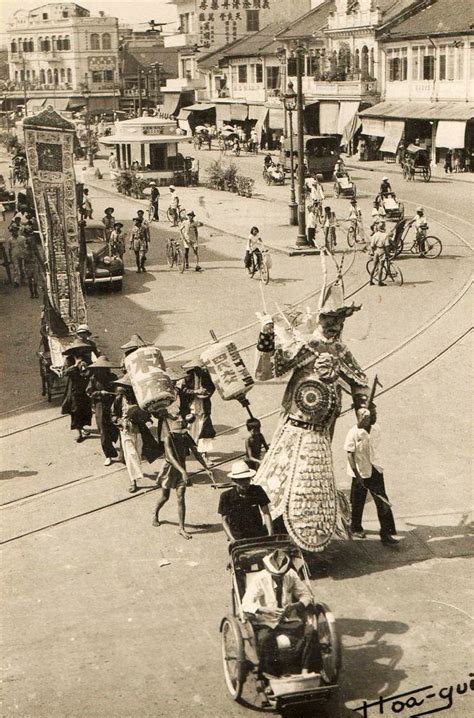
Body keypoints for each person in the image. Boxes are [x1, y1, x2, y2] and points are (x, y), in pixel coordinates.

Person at [253, 276, 369, 552]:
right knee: (292, 483)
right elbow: (267, 372)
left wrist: (362, 406)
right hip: (296, 427)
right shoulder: (304, 346)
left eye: (339, 320)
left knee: (315, 486)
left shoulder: (341, 351)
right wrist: (267, 335)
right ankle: (282, 538)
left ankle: (311, 541)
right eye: (329, 320)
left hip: (323, 432)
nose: (335, 325)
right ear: (318, 320)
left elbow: (359, 382)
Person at [241, 548, 322, 679]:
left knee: (310, 633)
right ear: (268, 571)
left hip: (289, 620)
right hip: (266, 621)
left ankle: (306, 671)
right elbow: (246, 603)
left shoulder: (290, 575)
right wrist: (264, 609)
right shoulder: (259, 579)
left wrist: (297, 604)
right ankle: (271, 675)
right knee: (265, 639)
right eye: (276, 577)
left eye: (281, 576)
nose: (279, 579)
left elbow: (306, 595)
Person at [344, 408, 398, 546]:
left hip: (374, 469)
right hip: (360, 472)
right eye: (372, 415)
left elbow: (376, 448)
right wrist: (358, 476)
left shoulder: (376, 429)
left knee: (382, 501)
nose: (375, 417)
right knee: (357, 502)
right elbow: (350, 455)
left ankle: (386, 533)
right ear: (362, 418)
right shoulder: (353, 433)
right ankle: (355, 527)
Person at [153, 416, 212, 539]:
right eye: (178, 433)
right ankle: (155, 513)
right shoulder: (168, 438)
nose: (181, 435)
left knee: (181, 498)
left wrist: (206, 468)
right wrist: (183, 471)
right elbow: (170, 457)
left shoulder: (185, 436)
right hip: (170, 469)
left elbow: (196, 452)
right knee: (165, 497)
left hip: (182, 468)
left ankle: (181, 528)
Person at [112, 375, 162, 493]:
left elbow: (147, 412)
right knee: (131, 455)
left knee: (138, 454)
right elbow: (113, 414)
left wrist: (144, 417)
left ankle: (135, 473)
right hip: (125, 431)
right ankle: (133, 480)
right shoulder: (119, 399)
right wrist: (119, 421)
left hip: (139, 430)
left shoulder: (140, 398)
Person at [218, 460, 272, 541]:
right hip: (238, 537)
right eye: (241, 480)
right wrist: (232, 539)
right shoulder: (226, 496)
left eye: (247, 479)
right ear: (234, 481)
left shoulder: (257, 490)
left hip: (257, 534)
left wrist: (270, 534)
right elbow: (224, 521)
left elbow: (266, 513)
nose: (245, 483)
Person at [177, 359, 216, 462]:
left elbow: (212, 387)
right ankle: (189, 449)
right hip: (191, 407)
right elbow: (182, 390)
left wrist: (206, 393)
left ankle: (204, 454)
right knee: (190, 429)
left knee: (205, 430)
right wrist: (195, 392)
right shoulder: (186, 377)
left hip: (204, 406)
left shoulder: (205, 375)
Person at [87, 356, 119, 466]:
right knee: (103, 431)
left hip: (113, 404)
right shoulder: (94, 379)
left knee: (116, 427)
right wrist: (100, 393)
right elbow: (89, 392)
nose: (104, 370)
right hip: (100, 406)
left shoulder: (113, 377)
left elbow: (117, 388)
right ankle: (109, 455)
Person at [61, 341, 93, 443]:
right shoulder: (69, 360)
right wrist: (75, 365)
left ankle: (82, 427)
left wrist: (86, 368)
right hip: (74, 388)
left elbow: (91, 370)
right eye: (77, 350)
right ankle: (78, 432)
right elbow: (65, 373)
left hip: (85, 388)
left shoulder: (86, 359)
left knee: (85, 409)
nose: (79, 352)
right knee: (75, 410)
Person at [369, 220, 389, 286]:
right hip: (382, 250)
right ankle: (379, 282)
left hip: (376, 251)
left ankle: (370, 281)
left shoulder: (375, 235)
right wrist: (387, 253)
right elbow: (386, 246)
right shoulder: (385, 235)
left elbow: (372, 245)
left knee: (374, 266)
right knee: (381, 267)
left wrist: (373, 251)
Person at [24, 228, 41, 298]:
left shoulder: (34, 249)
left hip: (34, 264)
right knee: (29, 279)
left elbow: (39, 257)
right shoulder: (25, 250)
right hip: (28, 265)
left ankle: (36, 291)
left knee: (35, 279)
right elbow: (24, 260)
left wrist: (41, 265)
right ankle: (32, 293)